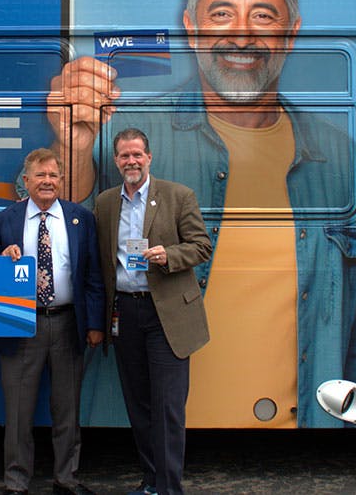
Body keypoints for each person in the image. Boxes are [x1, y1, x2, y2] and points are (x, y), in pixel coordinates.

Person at [50, 0, 356, 430]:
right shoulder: (129, 133)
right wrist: (75, 145)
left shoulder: (339, 157)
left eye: (263, 15)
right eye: (221, 13)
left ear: (292, 31)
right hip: (137, 421)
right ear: (190, 28)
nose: (241, 34)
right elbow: (62, 225)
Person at [94, 128, 212, 495]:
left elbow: (201, 247)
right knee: (139, 405)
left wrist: (169, 256)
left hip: (167, 317)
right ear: (116, 161)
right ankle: (151, 482)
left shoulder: (178, 196)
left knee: (168, 409)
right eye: (124, 156)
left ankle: (169, 488)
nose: (131, 161)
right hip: (125, 315)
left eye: (137, 155)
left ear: (149, 157)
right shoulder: (106, 203)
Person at [0, 148, 103, 495]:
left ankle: (66, 478)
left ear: (62, 181)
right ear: (26, 180)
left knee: (67, 409)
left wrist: (94, 325)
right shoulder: (6, 220)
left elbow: (93, 275)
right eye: (40, 175)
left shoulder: (82, 218)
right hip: (21, 325)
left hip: (68, 325)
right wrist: (1, 256)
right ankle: (16, 482)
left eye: (53, 175)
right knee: (18, 412)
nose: (47, 181)